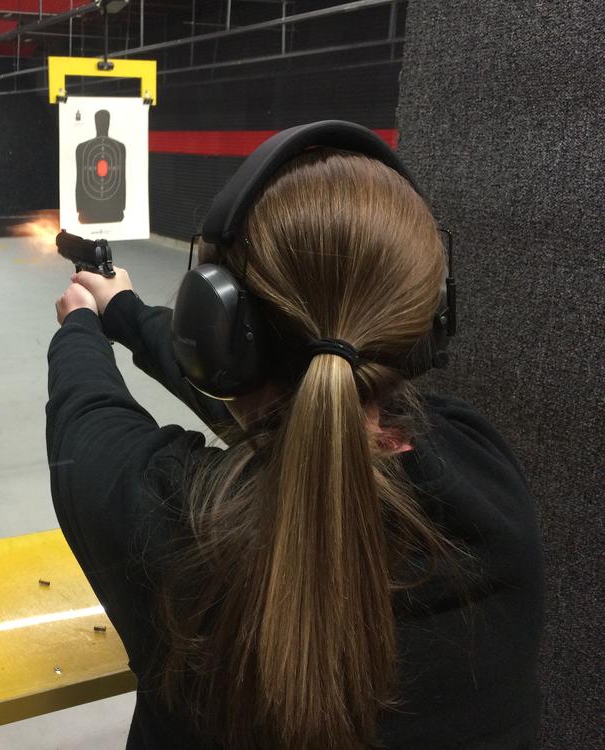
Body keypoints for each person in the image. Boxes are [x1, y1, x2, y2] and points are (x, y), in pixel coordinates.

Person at [46, 126, 543, 749]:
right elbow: (314, 403)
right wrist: (126, 309)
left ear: (219, 327)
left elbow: (87, 409)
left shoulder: (175, 525)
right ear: (428, 324)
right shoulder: (482, 470)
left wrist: (82, 326)